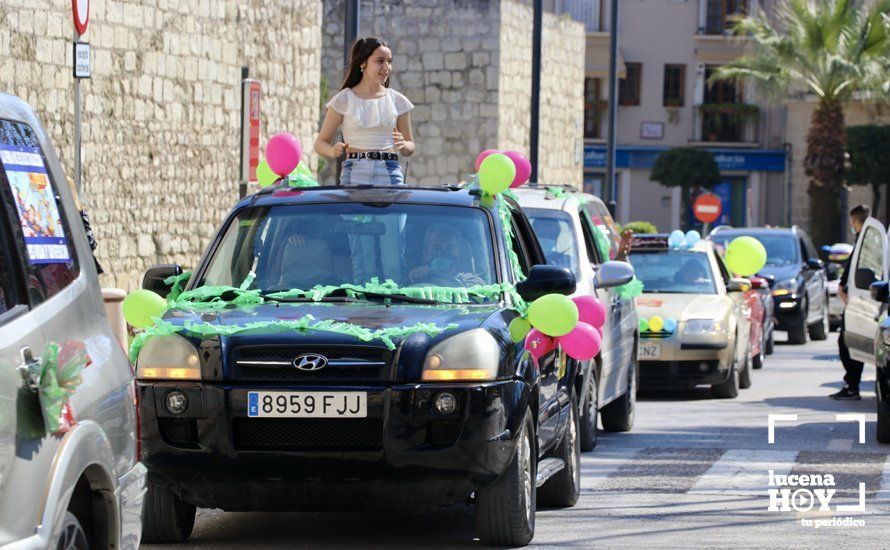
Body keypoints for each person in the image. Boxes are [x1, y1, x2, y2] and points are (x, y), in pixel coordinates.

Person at [315, 37, 415, 186]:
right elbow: (320, 143)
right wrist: (332, 151)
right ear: (363, 63)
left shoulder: (398, 100)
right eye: (380, 61)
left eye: (389, 61)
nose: (386, 67)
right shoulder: (344, 99)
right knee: (355, 211)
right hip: (354, 171)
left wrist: (404, 145)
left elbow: (410, 146)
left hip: (390, 170)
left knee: (394, 210)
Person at [831, 204, 870, 400]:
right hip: (856, 296)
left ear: (855, 220)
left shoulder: (866, 241)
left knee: (849, 343)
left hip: (859, 298)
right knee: (848, 342)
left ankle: (852, 385)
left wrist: (844, 287)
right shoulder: (863, 240)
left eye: (852, 221)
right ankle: (851, 384)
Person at [408, 225, 482, 286]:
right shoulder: (415, 278)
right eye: (436, 248)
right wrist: (413, 278)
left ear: (458, 254)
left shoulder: (471, 282)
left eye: (449, 248)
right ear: (425, 254)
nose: (443, 253)